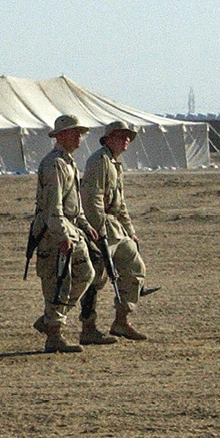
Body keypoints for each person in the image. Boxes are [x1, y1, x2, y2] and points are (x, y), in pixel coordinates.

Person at [30, 114, 98, 353]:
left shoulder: (69, 163)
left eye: (80, 132)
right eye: (74, 132)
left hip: (71, 228)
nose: (79, 137)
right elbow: (53, 207)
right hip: (54, 231)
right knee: (58, 283)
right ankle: (54, 334)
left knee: (85, 274)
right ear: (60, 136)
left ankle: (50, 320)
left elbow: (73, 204)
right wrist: (62, 236)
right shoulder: (55, 164)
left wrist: (85, 225)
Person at [79, 120, 148, 342]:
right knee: (95, 278)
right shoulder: (99, 161)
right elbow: (93, 199)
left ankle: (122, 320)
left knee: (135, 267)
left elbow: (121, 203)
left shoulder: (115, 164)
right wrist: (98, 231)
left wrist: (130, 231)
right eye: (121, 136)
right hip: (101, 227)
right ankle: (88, 327)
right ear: (108, 138)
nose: (126, 140)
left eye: (128, 136)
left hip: (115, 228)